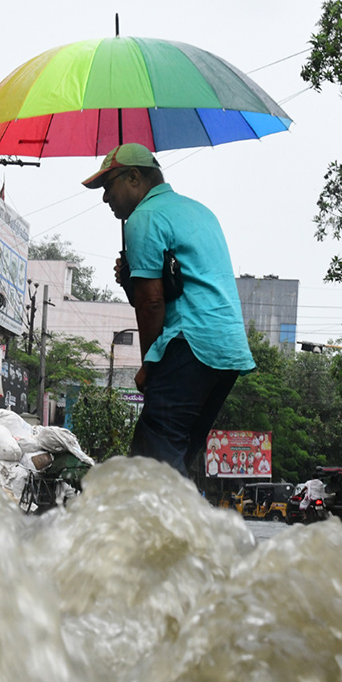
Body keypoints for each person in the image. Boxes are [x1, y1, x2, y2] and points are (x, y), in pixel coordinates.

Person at [84, 143, 255, 477]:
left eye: (108, 186)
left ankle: (185, 529)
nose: (105, 198)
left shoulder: (144, 217)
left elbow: (152, 303)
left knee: (153, 459)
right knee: (172, 456)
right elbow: (173, 288)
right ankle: (177, 527)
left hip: (190, 344)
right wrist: (131, 281)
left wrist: (150, 365)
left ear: (133, 177)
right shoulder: (198, 211)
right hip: (226, 349)